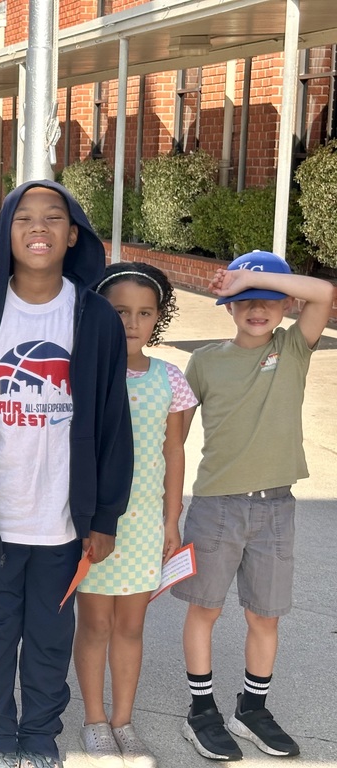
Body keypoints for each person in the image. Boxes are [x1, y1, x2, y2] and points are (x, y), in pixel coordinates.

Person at [0, 180, 133, 768]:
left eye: (53, 218)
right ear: (7, 233)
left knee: (49, 639)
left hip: (65, 525)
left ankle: (40, 737)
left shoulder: (94, 318)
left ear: (73, 236)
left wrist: (104, 516)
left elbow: (113, 426)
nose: (38, 228)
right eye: (23, 218)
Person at [173, 251, 334, 762]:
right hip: (216, 507)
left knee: (266, 615)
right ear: (226, 306)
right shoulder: (205, 361)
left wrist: (250, 276)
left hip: (275, 509)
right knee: (206, 609)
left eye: (269, 300)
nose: (256, 308)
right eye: (243, 300)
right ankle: (201, 710)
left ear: (287, 304)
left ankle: (252, 707)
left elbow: (325, 295)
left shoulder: (293, 349)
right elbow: (175, 438)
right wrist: (165, 509)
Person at [73, 263, 197, 768]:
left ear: (158, 318)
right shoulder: (84, 372)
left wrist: (172, 521)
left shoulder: (170, 378)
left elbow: (174, 453)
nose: (132, 322)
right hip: (98, 524)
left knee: (130, 626)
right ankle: (95, 720)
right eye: (120, 311)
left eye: (145, 313)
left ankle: (124, 720)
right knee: (96, 624)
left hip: (146, 522)